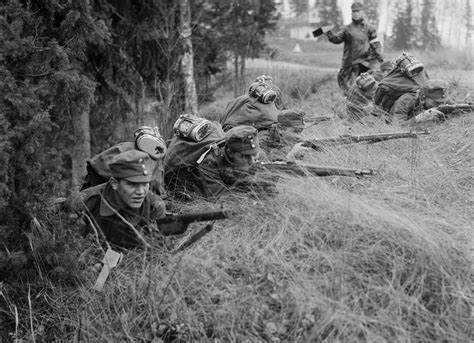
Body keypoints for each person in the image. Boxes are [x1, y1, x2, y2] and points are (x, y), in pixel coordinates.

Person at [80, 150, 185, 249]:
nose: (141, 192)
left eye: (145, 184)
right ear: (114, 183)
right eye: (133, 184)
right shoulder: (86, 201)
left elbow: (159, 252)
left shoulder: (155, 206)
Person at [165, 124, 265, 201]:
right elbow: (219, 199)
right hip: (188, 184)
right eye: (244, 156)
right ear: (230, 153)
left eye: (254, 154)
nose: (252, 160)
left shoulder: (260, 156)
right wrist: (252, 194)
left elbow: (269, 190)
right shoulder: (210, 163)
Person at [81, 126, 167, 196]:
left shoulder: (126, 146)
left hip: (101, 173)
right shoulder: (151, 160)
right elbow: (156, 187)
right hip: (103, 177)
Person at [326, 2, 382, 94]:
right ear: (351, 13)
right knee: (349, 90)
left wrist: (378, 54)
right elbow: (336, 39)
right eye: (353, 11)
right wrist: (328, 33)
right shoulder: (347, 29)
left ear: (362, 12)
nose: (355, 13)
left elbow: (375, 44)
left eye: (357, 11)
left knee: (366, 89)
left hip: (365, 64)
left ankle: (363, 106)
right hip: (349, 64)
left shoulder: (370, 28)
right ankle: (349, 106)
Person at [374, 52, 432, 123]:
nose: (415, 73)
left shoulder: (421, 72)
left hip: (418, 104)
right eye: (412, 70)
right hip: (395, 109)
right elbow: (377, 101)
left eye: (417, 69)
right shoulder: (389, 81)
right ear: (402, 70)